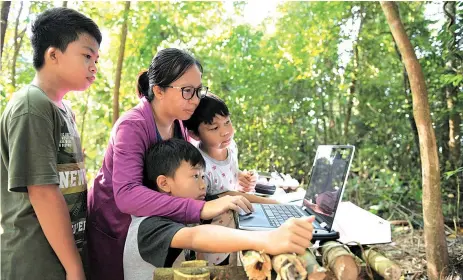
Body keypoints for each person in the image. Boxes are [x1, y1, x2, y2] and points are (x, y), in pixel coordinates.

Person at [87, 48, 253, 280]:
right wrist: (200, 208)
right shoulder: (132, 126)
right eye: (187, 91)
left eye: (198, 91)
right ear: (158, 90)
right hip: (118, 229)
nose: (195, 100)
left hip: (157, 227)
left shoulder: (180, 126)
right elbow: (127, 195)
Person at [0, 8, 101, 280]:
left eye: (97, 59)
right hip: (35, 262)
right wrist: (74, 268)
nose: (94, 66)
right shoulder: (32, 105)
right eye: (86, 55)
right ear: (53, 54)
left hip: (63, 258)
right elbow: (43, 191)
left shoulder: (62, 109)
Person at [123, 139, 316, 280]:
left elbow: (227, 196)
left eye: (203, 176)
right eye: (195, 176)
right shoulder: (149, 225)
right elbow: (195, 237)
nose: (203, 185)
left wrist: (285, 207)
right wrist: (267, 239)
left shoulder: (184, 204)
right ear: (164, 183)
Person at [183, 94, 279, 265]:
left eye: (227, 122)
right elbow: (226, 194)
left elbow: (229, 174)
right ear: (195, 134)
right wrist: (272, 203)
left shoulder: (230, 145)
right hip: (215, 241)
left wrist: (241, 176)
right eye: (214, 128)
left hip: (237, 225)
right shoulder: (199, 165)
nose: (225, 131)